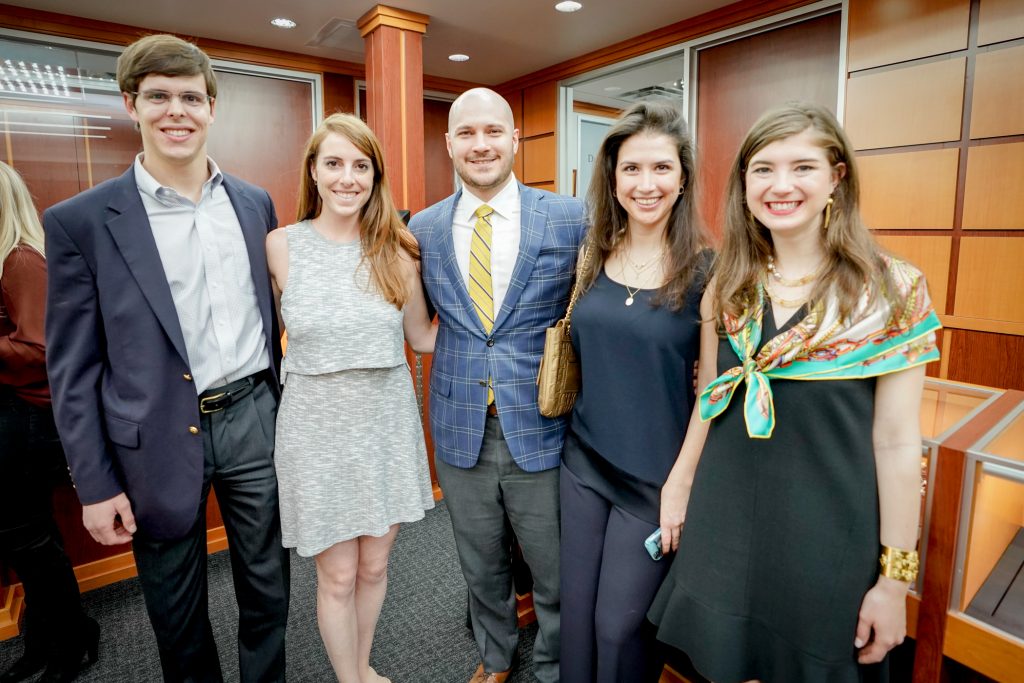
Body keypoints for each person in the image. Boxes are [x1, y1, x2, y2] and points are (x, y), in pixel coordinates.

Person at [647, 102, 941, 682]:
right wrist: (679, 485)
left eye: (803, 167)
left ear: (837, 177)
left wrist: (894, 581)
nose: (781, 186)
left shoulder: (891, 292)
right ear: (744, 184)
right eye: (763, 169)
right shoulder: (730, 283)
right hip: (725, 518)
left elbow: (897, 444)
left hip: (826, 536)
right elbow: (712, 394)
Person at [44, 34, 289, 682]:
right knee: (176, 611)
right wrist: (95, 484)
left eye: (190, 97)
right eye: (158, 96)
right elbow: (72, 369)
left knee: (269, 586)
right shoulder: (81, 221)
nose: (176, 111)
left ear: (212, 108)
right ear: (131, 105)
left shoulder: (253, 202)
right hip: (152, 434)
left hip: (254, 416)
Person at [409, 88, 587, 683]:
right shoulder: (424, 228)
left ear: (515, 139)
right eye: (466, 133)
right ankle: (495, 657)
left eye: (492, 132)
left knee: (555, 568)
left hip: (544, 423)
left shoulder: (569, 217)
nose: (480, 145)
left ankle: (557, 664)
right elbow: (423, 324)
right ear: (449, 144)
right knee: (479, 563)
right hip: (461, 426)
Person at [266, 113, 436, 683]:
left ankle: (362, 666)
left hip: (385, 427)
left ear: (375, 177)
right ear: (313, 171)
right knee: (337, 575)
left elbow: (422, 337)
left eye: (361, 166)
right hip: (316, 433)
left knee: (374, 567)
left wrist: (507, 330)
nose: (347, 177)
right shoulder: (281, 247)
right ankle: (350, 679)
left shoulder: (398, 251)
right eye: (334, 163)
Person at [559, 101, 710, 683]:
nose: (646, 184)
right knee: (576, 616)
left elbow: (713, 389)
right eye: (631, 169)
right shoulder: (591, 255)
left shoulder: (708, 272)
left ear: (683, 178)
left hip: (654, 478)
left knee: (617, 628)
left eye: (661, 168)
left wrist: (681, 485)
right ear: (613, 177)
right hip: (583, 460)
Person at [0, 162, 99, 683]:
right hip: (19, 416)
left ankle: (70, 641)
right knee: (29, 541)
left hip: (29, 419)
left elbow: (37, 350)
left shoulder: (19, 260)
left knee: (30, 542)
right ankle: (49, 640)